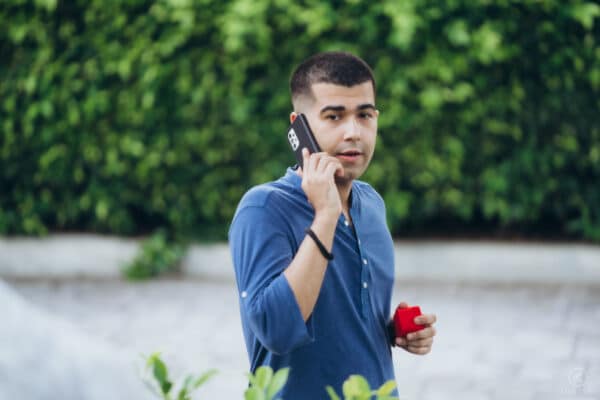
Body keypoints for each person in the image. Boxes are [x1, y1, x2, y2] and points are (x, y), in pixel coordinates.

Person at [229, 51, 437, 399]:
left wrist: (392, 333)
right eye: (334, 116)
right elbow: (276, 331)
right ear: (300, 127)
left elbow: (342, 317)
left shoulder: (371, 204)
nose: (353, 132)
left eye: (365, 115)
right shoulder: (264, 208)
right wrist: (325, 215)